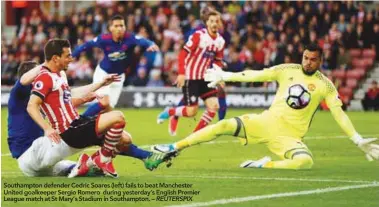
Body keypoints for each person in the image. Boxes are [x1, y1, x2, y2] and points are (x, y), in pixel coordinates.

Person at [153, 44, 379, 169]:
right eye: (305, 57)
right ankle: (174, 146)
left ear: (320, 61)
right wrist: (226, 75)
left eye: (312, 59)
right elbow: (256, 73)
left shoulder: (325, 86)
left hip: (290, 137)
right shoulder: (286, 70)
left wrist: (357, 139)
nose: (307, 62)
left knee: (305, 162)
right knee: (223, 125)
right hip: (266, 122)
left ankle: (263, 164)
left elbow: (339, 114)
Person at [26, 39, 169, 178]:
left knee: (124, 139)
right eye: (68, 56)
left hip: (77, 122)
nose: (71, 58)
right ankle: (100, 160)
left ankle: (145, 158)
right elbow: (32, 106)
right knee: (118, 117)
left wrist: (100, 85)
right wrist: (47, 128)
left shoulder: (60, 74)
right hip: (69, 131)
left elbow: (69, 96)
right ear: (55, 58)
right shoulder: (44, 78)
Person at [72, 15, 159, 116]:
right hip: (103, 74)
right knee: (104, 102)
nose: (119, 28)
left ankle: (91, 126)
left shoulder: (130, 38)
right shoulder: (104, 39)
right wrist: (72, 55)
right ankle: (79, 121)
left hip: (119, 77)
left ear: (125, 27)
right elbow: (86, 45)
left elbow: (143, 40)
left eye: (122, 25)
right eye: (116, 26)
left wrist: (151, 44)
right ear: (110, 28)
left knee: (108, 109)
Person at [157, 9, 226, 134]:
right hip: (191, 77)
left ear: (220, 23)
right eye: (212, 21)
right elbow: (183, 54)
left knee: (214, 106)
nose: (215, 23)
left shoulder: (220, 42)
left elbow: (217, 61)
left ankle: (196, 135)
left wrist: (218, 75)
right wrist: (182, 73)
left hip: (205, 78)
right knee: (191, 112)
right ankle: (170, 112)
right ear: (207, 23)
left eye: (217, 21)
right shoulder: (198, 36)